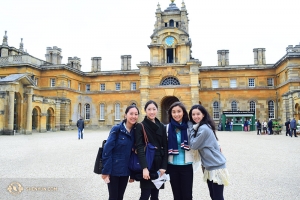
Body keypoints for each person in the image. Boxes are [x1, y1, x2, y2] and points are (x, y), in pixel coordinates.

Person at [188, 105, 229, 200]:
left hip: (216, 167)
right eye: (193, 114)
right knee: (213, 196)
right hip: (210, 166)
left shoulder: (203, 128)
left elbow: (193, 145)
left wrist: (190, 127)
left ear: (203, 115)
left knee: (217, 197)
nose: (195, 116)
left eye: (198, 114)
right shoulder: (203, 126)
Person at [101, 105, 140, 200]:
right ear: (125, 115)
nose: (133, 116)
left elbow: (134, 154)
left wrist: (133, 174)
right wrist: (106, 171)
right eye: (131, 114)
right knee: (113, 197)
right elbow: (107, 150)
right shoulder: (117, 129)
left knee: (120, 197)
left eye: (136, 114)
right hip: (114, 170)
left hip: (125, 171)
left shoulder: (136, 131)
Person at [135, 100, 168, 200]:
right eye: (149, 109)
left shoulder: (161, 126)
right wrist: (144, 168)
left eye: (154, 109)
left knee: (155, 195)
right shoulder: (140, 126)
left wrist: (163, 166)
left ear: (157, 110)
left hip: (158, 165)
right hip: (147, 163)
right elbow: (140, 148)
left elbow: (165, 147)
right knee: (145, 194)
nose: (152, 112)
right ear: (145, 111)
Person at [167, 101, 199, 200]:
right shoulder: (167, 128)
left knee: (187, 195)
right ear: (171, 114)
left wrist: (217, 144)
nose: (176, 114)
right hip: (172, 166)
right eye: (173, 112)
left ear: (183, 112)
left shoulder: (190, 127)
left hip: (186, 165)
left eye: (179, 111)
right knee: (176, 196)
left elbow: (204, 135)